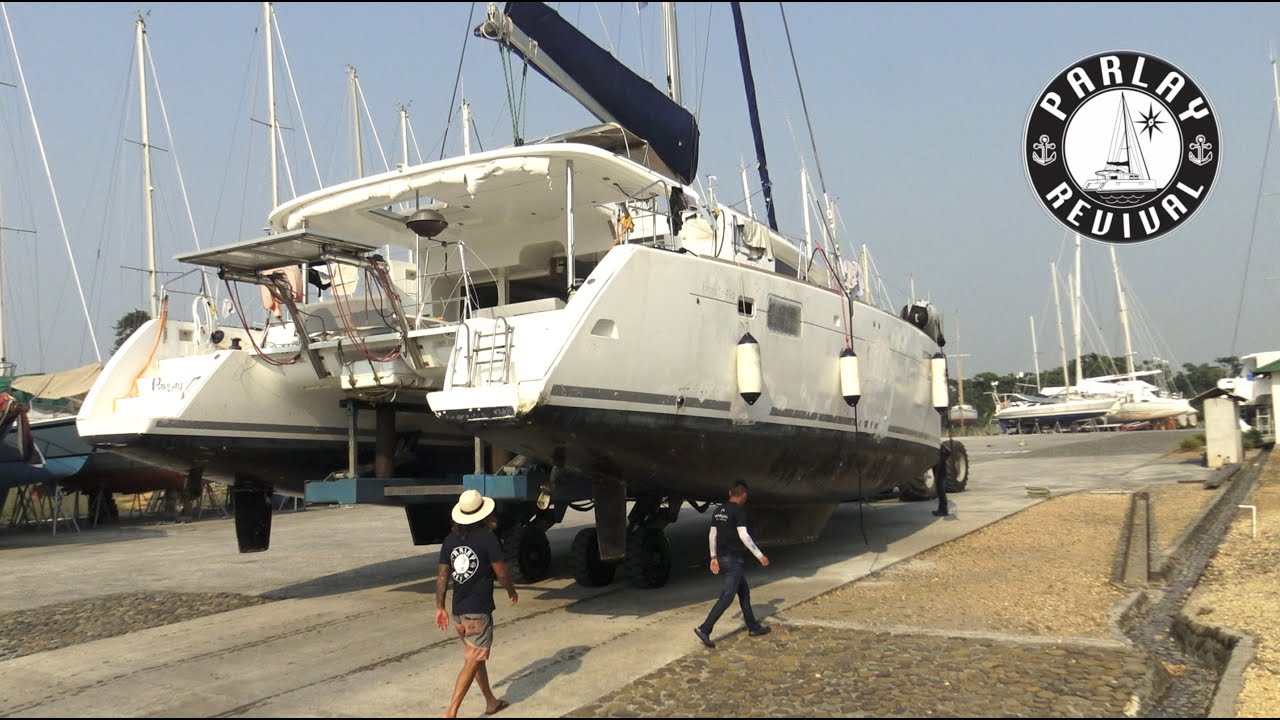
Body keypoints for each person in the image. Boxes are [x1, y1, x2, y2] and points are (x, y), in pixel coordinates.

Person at [435, 489, 518, 717]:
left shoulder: (450, 541)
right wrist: (511, 590)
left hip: (459, 613)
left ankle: (491, 702)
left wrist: (440, 607)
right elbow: (500, 571)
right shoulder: (488, 538)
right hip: (478, 611)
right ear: (483, 514)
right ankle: (451, 711)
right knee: (473, 659)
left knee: (476, 656)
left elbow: (443, 576)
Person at [693, 481, 771, 648]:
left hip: (722, 557)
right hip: (733, 560)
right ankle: (705, 628)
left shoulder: (718, 510)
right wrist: (759, 555)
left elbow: (712, 534)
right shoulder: (738, 512)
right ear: (744, 495)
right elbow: (744, 536)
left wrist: (713, 557)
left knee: (744, 593)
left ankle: (753, 627)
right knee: (727, 596)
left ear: (730, 492)